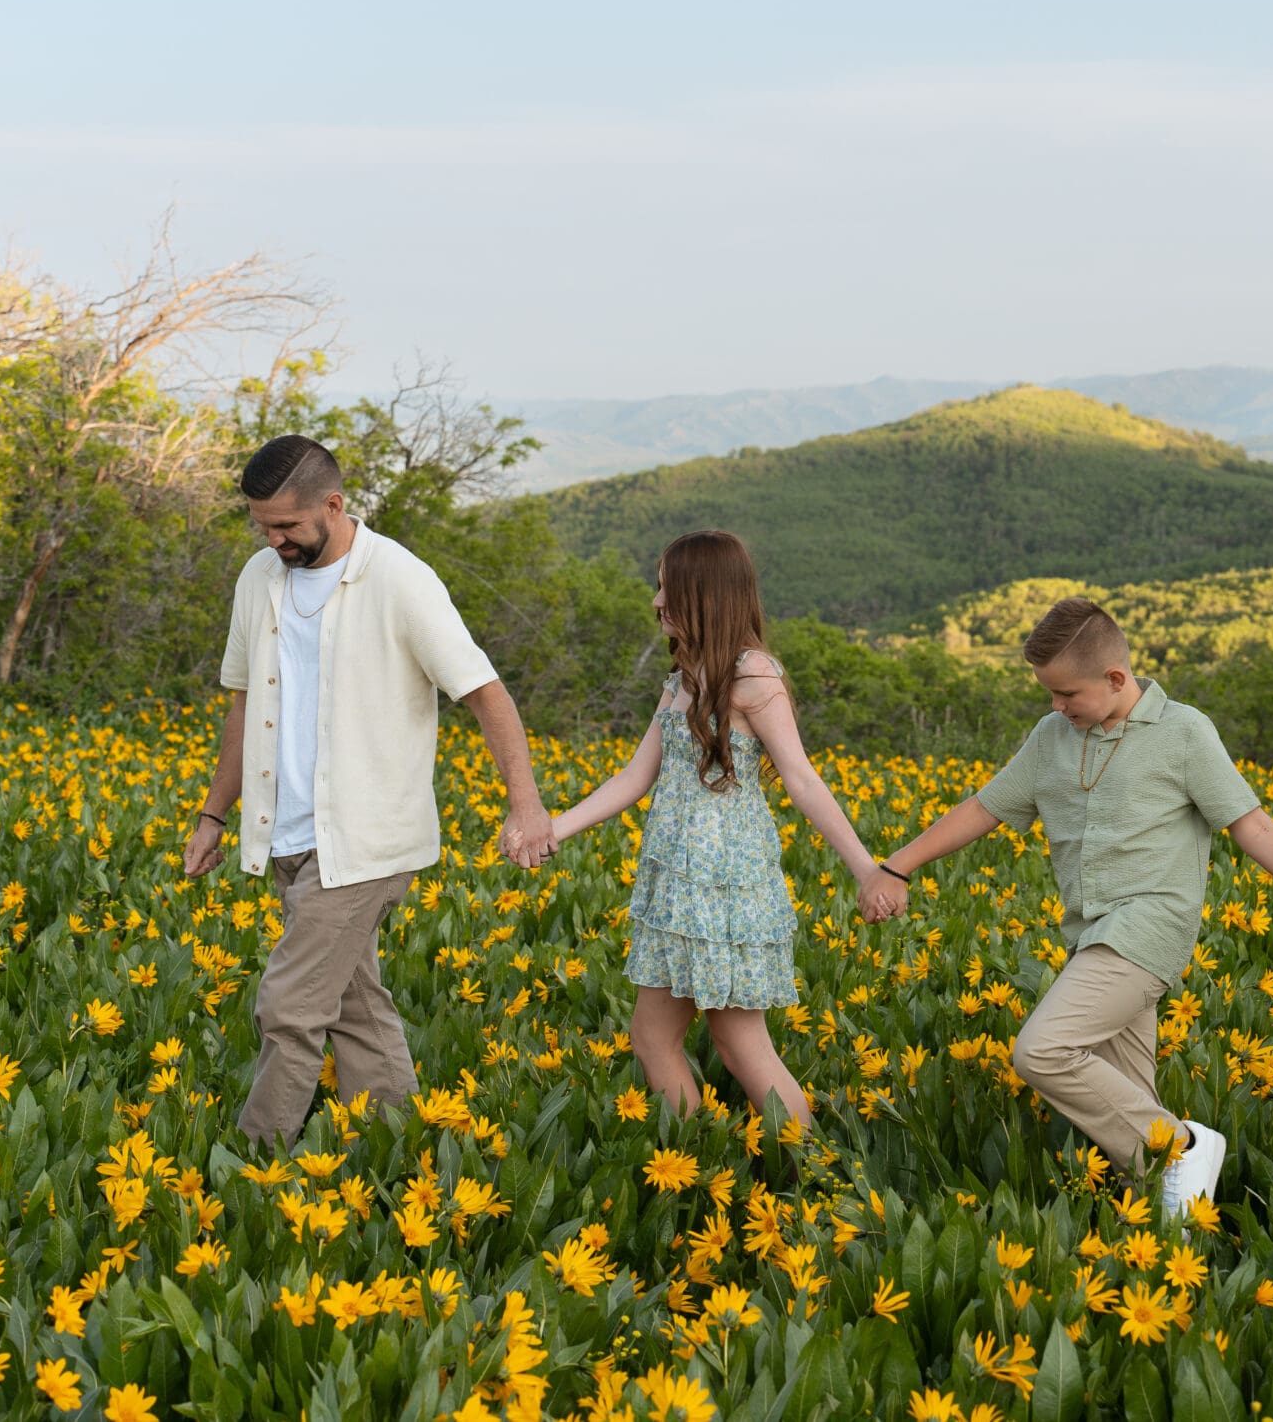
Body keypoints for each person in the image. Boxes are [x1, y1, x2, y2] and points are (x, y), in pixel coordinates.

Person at [868, 597, 1273, 1220]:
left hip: (1148, 927)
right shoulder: (1051, 737)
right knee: (1129, 1098)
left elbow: (1250, 826)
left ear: (1117, 679)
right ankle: (1169, 1224)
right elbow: (986, 808)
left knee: (1042, 1050)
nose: (1056, 707)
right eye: (1050, 695)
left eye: (1067, 694)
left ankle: (1185, 1144)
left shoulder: (1185, 732)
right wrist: (896, 864)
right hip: (1090, 935)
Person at [186, 435, 550, 1146]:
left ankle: (248, 1169)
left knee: (290, 1007)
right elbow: (242, 705)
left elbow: (485, 692)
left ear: (334, 504)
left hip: (366, 840)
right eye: (263, 525)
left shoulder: (402, 580)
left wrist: (525, 802)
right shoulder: (258, 579)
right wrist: (213, 812)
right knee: (354, 1005)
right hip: (284, 833)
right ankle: (396, 1150)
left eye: (287, 525)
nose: (274, 539)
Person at [509, 530, 881, 1130]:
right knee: (653, 1039)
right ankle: (701, 1167)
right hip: (678, 890)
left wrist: (867, 868)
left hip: (724, 889)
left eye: (667, 587)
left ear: (703, 595)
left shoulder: (753, 675)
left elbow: (804, 781)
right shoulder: (683, 678)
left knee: (741, 1048)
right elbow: (635, 777)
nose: (656, 601)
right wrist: (551, 830)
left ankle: (813, 1175)